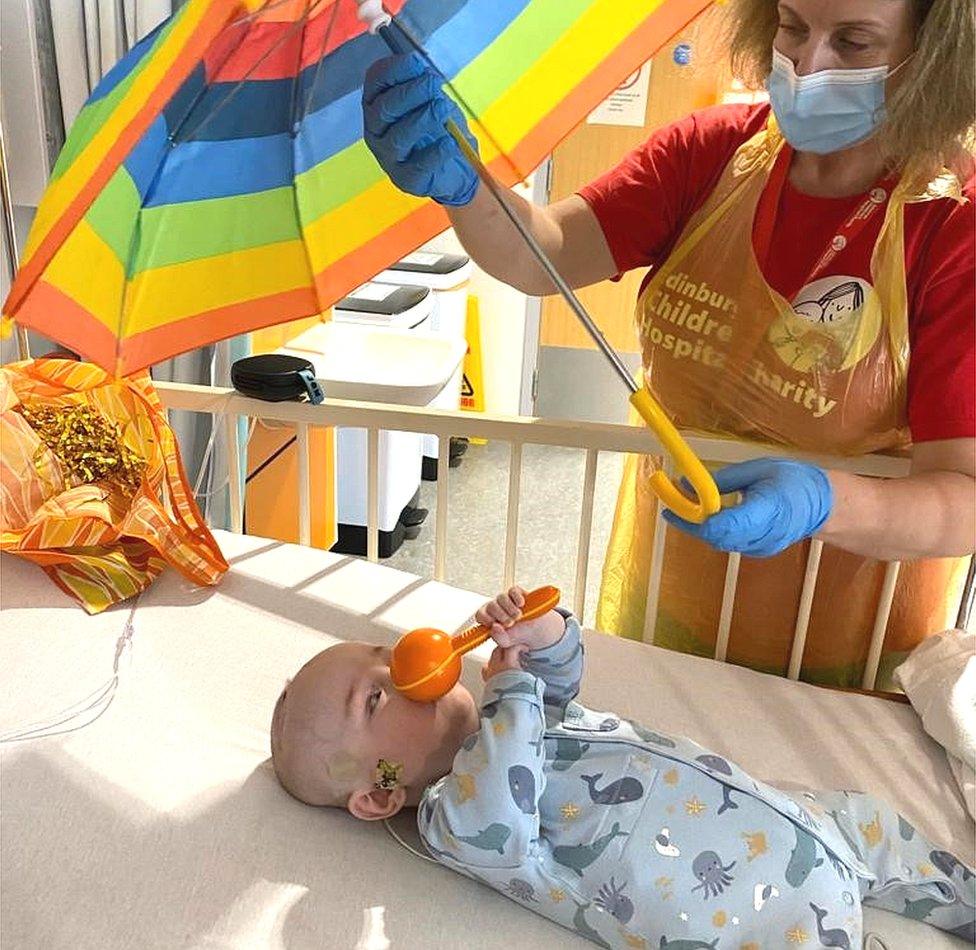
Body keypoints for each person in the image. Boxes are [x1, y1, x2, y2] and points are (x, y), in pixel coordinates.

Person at [361, 0, 976, 685]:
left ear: (935, 57)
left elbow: (965, 498)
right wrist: (465, 185)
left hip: (845, 640)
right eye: (793, 27)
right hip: (672, 590)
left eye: (855, 43)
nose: (807, 65)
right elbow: (545, 255)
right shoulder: (713, 156)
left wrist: (821, 504)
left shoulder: (954, 225)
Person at [269, 587, 975, 948]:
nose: (398, 667)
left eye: (378, 653)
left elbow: (563, 671)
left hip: (806, 826)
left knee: (872, 823)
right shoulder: (452, 816)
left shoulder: (511, 711)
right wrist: (510, 692)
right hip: (757, 922)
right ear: (376, 796)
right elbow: (502, 825)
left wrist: (537, 632)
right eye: (375, 696)